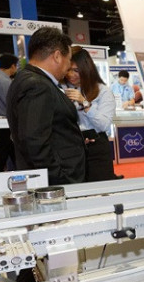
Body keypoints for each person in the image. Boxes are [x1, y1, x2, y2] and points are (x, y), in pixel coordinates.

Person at [6, 27, 86, 185]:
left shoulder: (27, 79)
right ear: (57, 56)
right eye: (69, 59)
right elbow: (34, 141)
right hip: (56, 182)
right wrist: (59, 178)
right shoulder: (38, 85)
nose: (68, 66)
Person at [61, 46, 120, 182]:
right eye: (68, 69)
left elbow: (104, 125)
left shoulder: (102, 91)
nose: (71, 74)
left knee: (100, 188)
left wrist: (85, 103)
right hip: (71, 147)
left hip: (96, 147)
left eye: (76, 70)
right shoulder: (61, 88)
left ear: (86, 69)